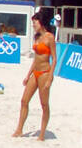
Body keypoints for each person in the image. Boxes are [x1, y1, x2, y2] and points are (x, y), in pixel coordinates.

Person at [13, 11, 56, 140]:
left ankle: (42, 133)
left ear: (41, 22)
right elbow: (36, 59)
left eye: (34, 22)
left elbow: (54, 59)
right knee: (24, 100)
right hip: (35, 73)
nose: (33, 25)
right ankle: (19, 129)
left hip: (45, 73)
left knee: (44, 105)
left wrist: (50, 78)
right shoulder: (36, 37)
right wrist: (28, 75)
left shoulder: (50, 37)